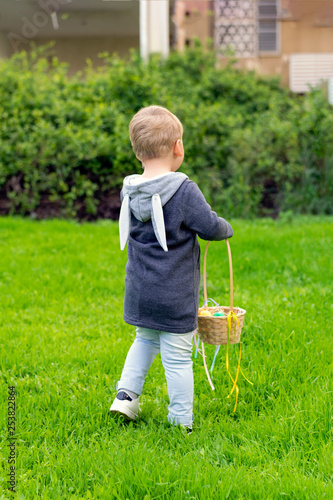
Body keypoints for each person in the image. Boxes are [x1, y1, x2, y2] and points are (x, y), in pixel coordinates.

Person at [110, 105, 233, 432]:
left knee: (144, 341)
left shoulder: (130, 189)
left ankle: (125, 397)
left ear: (138, 151)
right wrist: (225, 227)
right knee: (177, 359)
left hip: (139, 291)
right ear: (178, 147)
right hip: (174, 296)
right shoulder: (183, 189)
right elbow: (208, 226)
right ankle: (181, 422)